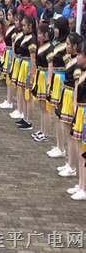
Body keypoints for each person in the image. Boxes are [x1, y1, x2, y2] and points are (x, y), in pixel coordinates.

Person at [55, 33, 82, 178]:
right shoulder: (70, 60)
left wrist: (74, 104)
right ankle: (69, 163)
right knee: (67, 132)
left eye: (68, 44)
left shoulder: (77, 65)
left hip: (71, 96)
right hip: (66, 94)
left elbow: (77, 86)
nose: (66, 46)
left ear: (75, 47)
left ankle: (72, 166)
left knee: (71, 134)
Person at [46, 18, 71, 159]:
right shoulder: (56, 43)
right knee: (56, 115)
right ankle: (59, 145)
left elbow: (70, 66)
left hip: (62, 80)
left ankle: (62, 148)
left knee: (61, 116)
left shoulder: (66, 45)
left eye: (56, 27)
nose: (54, 30)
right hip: (56, 77)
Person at [68, 42, 86, 200]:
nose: (77, 57)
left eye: (80, 55)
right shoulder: (81, 72)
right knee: (80, 149)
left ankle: (84, 187)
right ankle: (81, 184)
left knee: (83, 152)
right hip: (80, 111)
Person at [30, 24, 53, 142]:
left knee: (45, 107)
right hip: (40, 75)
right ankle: (42, 129)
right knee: (41, 106)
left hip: (44, 77)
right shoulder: (42, 46)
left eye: (40, 34)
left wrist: (48, 82)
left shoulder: (49, 48)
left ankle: (46, 132)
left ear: (45, 35)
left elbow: (50, 66)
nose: (38, 36)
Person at [14, 15, 38, 131]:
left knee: (28, 95)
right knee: (23, 92)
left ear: (30, 26)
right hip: (23, 65)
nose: (22, 27)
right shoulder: (25, 36)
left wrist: (32, 73)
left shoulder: (32, 39)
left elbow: (33, 57)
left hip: (28, 65)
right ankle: (24, 116)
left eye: (24, 25)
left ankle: (29, 120)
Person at [0, 9, 18, 110]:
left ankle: (10, 100)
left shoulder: (14, 29)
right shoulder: (10, 27)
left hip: (11, 53)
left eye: (10, 15)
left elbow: (14, 44)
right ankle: (8, 99)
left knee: (10, 78)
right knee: (7, 78)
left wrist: (13, 57)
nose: (8, 17)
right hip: (8, 51)